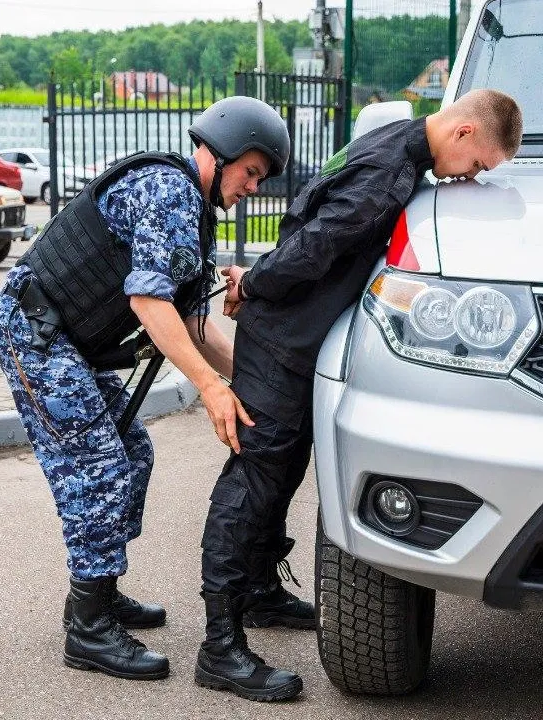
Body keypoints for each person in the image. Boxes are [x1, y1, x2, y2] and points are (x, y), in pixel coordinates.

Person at [200, 88, 524, 702]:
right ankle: (219, 644)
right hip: (283, 335)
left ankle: (258, 592)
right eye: (478, 165)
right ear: (460, 135)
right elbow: (314, 246)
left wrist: (260, 279)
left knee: (285, 466)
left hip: (293, 331)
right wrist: (255, 280)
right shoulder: (387, 176)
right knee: (256, 472)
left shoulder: (392, 141)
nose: (473, 178)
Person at [0, 96, 290, 682]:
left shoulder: (192, 211)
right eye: (250, 171)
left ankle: (102, 586)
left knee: (133, 450)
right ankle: (88, 625)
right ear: (223, 150)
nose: (252, 186)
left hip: (65, 339)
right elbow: (149, 303)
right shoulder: (169, 191)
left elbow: (195, 325)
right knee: (99, 465)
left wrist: (248, 384)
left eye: (259, 178)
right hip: (34, 333)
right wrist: (208, 387)